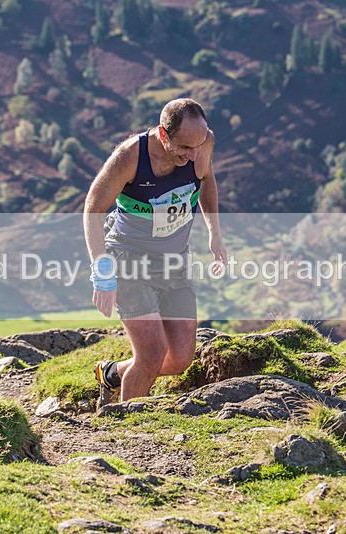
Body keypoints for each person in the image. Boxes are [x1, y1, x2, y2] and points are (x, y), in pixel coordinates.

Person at [83, 98, 227, 407]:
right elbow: (93, 209)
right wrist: (102, 271)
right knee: (150, 354)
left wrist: (215, 232)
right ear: (164, 135)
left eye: (198, 146)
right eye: (184, 149)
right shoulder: (129, 158)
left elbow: (206, 180)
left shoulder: (202, 143)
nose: (192, 155)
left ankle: (111, 373)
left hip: (174, 262)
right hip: (129, 259)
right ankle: (127, 430)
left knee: (179, 359)